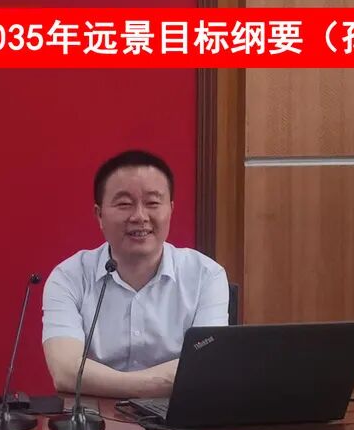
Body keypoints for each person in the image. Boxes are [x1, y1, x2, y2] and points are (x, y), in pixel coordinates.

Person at [41, 150, 229, 399]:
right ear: (99, 215)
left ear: (171, 209)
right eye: (124, 204)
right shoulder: (69, 277)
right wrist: (156, 384)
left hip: (179, 418)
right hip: (92, 419)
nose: (140, 216)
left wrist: (101, 381)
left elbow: (206, 367)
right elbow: (66, 372)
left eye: (152, 203)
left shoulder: (206, 275)